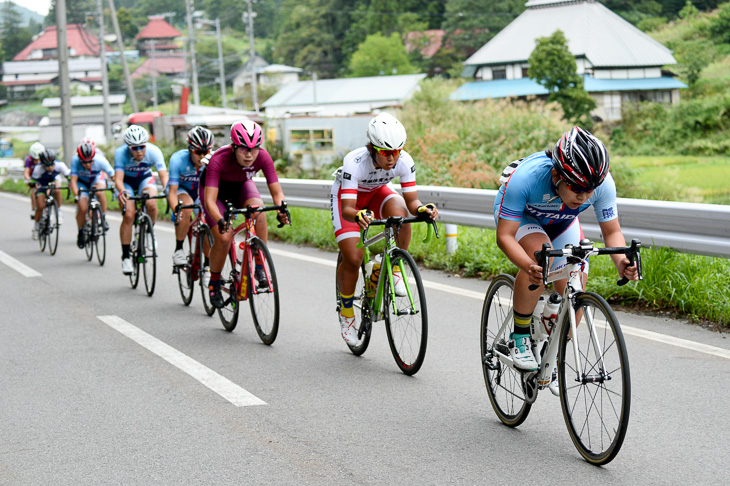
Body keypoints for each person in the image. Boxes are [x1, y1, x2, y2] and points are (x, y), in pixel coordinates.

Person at [494, 126, 639, 393]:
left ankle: (555, 351)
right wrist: (528, 266)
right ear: (556, 175)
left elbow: (612, 232)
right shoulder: (527, 178)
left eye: (590, 188)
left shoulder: (603, 183)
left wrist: (622, 264)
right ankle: (520, 335)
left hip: (562, 222)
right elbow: (504, 236)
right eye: (576, 187)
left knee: (576, 291)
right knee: (542, 258)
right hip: (525, 219)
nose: (584, 195)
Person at [331, 112, 438, 345]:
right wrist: (358, 215)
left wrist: (422, 209)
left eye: (396, 152)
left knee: (400, 212)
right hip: (350, 201)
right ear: (372, 148)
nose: (392, 158)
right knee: (353, 258)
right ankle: (347, 314)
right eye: (385, 152)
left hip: (377, 193)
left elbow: (412, 202)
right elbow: (348, 207)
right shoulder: (354, 161)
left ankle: (394, 267)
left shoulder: (405, 161)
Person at [200, 120, 289, 308]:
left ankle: (259, 265)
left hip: (241, 185)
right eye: (243, 150)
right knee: (224, 238)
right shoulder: (219, 159)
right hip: (216, 192)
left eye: (254, 149)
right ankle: (214, 282)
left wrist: (281, 209)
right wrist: (220, 220)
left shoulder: (263, 157)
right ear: (233, 147)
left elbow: (276, 192)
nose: (249, 155)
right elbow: (209, 200)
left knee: (259, 212)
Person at [114, 125, 169, 275]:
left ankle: (150, 231)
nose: (139, 151)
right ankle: (125, 257)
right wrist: (122, 191)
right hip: (127, 183)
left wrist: (167, 190)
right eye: (134, 148)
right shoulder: (120, 153)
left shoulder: (154, 151)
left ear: (146, 144)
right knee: (129, 215)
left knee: (151, 203)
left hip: (145, 179)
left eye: (142, 147)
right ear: (128, 147)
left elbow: (163, 175)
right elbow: (118, 179)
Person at [168, 126, 214, 281]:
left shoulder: (213, 160)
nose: (202, 156)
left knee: (208, 222)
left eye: (206, 152)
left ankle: (207, 266)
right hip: (183, 190)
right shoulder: (177, 159)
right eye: (197, 152)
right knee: (185, 208)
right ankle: (179, 249)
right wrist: (176, 209)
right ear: (189, 149)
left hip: (201, 192)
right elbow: (172, 192)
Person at [70, 138, 115, 248]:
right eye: (84, 162)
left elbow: (114, 176)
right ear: (80, 159)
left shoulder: (100, 160)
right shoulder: (75, 160)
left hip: (96, 179)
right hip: (82, 182)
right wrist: (77, 196)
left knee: (100, 193)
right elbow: (73, 181)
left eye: (90, 161)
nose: (88, 164)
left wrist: (117, 188)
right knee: (82, 207)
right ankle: (81, 231)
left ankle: (103, 218)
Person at [30, 150, 70, 240]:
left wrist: (69, 183)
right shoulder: (38, 168)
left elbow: (69, 176)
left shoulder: (60, 165)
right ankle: (36, 228)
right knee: (40, 206)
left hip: (54, 180)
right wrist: (34, 186)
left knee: (57, 190)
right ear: (43, 164)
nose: (51, 168)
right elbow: (33, 182)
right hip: (42, 184)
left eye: (52, 165)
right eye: (47, 166)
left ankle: (59, 213)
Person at [23, 142, 45, 219]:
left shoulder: (45, 159)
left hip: (43, 178)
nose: (36, 161)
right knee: (34, 190)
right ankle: (33, 208)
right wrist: (29, 179)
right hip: (34, 178)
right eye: (34, 159)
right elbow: (26, 172)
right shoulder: (28, 160)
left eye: (38, 159)